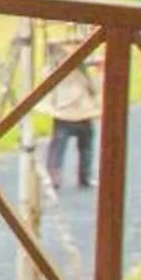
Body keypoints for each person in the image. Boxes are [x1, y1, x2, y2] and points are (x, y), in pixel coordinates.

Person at [44, 31, 102, 189]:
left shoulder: (58, 69)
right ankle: (81, 176)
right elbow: (95, 89)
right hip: (76, 114)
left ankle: (59, 176)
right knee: (82, 147)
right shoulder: (76, 71)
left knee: (61, 147)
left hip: (71, 114)